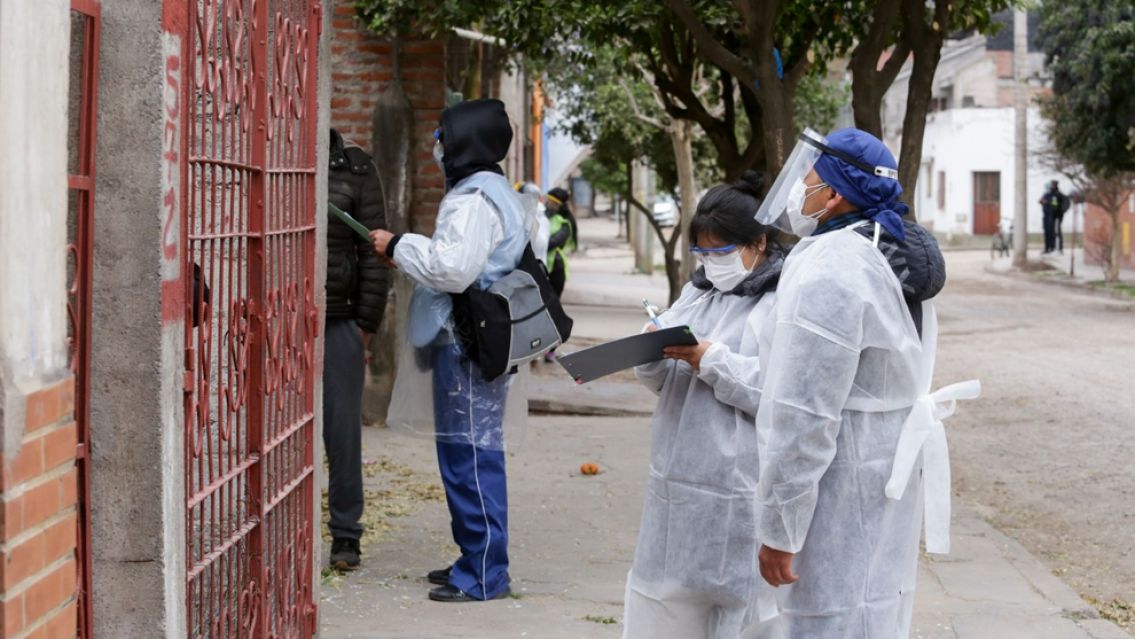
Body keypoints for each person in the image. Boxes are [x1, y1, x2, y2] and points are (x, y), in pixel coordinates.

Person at [750, 128, 975, 638]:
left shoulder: (833, 268)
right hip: (879, 480)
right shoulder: (884, 254)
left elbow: (803, 413)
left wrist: (780, 528)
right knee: (873, 615)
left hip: (835, 494)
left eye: (806, 179)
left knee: (826, 622)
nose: (797, 190)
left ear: (832, 195)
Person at [370, 99, 524, 603]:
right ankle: (474, 556)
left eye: (442, 135)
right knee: (467, 451)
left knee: (470, 455)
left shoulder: (474, 198)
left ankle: (484, 573)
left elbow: (454, 269)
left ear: (464, 141)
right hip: (474, 339)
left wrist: (399, 246)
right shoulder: (493, 189)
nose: (436, 145)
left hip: (466, 343)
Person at [623, 173, 783, 639]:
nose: (710, 263)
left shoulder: (781, 301)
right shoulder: (699, 291)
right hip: (677, 484)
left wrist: (710, 359)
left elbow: (782, 394)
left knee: (745, 613)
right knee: (663, 603)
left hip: (741, 487)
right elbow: (663, 380)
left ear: (758, 242)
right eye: (702, 252)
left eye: (720, 252)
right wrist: (650, 353)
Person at [325, 128, 390, 570]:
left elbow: (374, 249)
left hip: (338, 317)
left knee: (342, 433)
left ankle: (346, 535)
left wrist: (365, 325)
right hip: (279, 315)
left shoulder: (356, 166)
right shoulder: (271, 152)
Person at [544, 186, 578, 298]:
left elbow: (553, 242)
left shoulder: (564, 223)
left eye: (550, 201)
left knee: (553, 302)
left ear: (557, 204)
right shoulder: (542, 216)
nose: (547, 203)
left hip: (556, 266)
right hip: (541, 265)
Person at [1040, 180, 1070, 254]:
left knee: (1056, 232)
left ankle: (1058, 248)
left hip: (1056, 217)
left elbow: (1061, 203)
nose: (1052, 186)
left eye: (1053, 185)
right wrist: (1042, 202)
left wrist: (1062, 210)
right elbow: (1042, 201)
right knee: (1048, 233)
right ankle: (1048, 248)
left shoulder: (1058, 194)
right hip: (1047, 217)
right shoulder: (1047, 194)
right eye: (1051, 185)